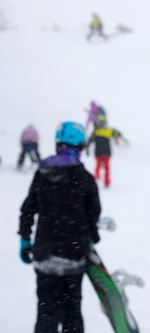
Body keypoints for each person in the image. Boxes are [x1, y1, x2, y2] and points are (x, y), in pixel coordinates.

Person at [18, 121, 101, 333]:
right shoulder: (85, 178)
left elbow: (28, 209)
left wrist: (25, 239)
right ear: (78, 147)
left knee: (46, 312)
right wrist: (92, 235)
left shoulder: (42, 174)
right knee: (72, 311)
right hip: (74, 255)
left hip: (45, 255)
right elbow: (94, 213)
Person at [86, 115, 125, 188]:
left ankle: (98, 179)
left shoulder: (96, 131)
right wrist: (117, 132)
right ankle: (105, 181)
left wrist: (87, 148)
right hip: (106, 152)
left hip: (99, 152)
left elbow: (90, 141)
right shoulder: (108, 131)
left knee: (99, 166)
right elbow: (118, 134)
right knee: (105, 167)